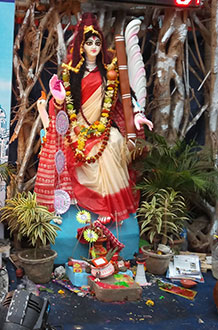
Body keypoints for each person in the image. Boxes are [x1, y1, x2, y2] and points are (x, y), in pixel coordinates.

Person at [35, 13, 153, 225]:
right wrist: (60, 99)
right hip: (78, 127)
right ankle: (93, 207)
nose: (93, 47)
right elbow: (58, 106)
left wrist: (137, 118)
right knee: (79, 152)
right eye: (89, 42)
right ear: (81, 45)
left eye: (97, 42)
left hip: (104, 127)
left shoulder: (109, 72)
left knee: (113, 145)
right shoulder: (72, 73)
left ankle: (110, 209)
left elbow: (124, 101)